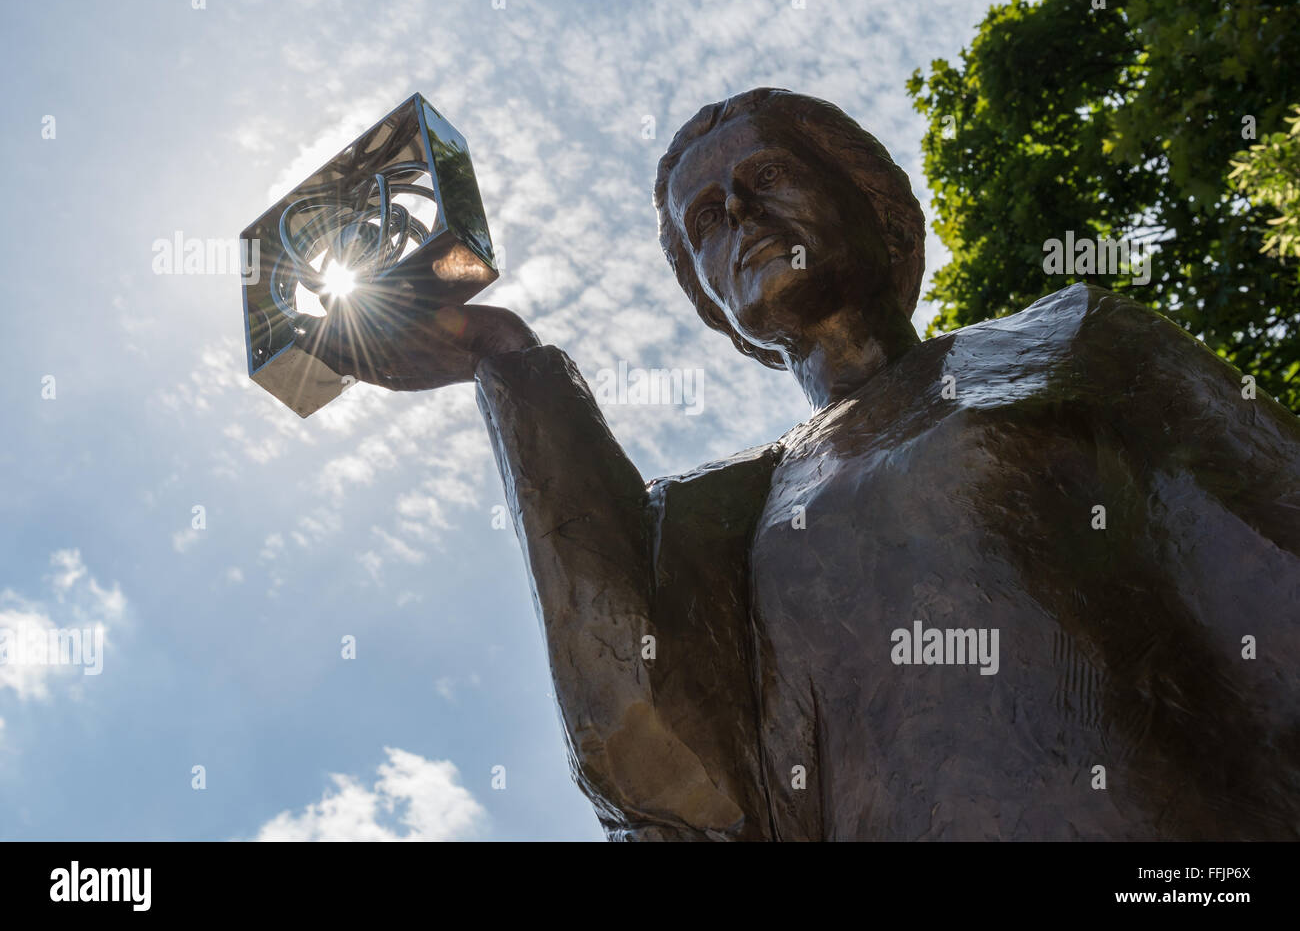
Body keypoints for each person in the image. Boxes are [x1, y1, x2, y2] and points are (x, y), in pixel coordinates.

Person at [304, 88, 1300, 841]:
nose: (736, 212)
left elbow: (1275, 538)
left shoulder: (1070, 335)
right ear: (709, 301)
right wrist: (508, 366)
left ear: (868, 198)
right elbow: (665, 779)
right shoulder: (715, 516)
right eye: (704, 221)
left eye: (765, 176)